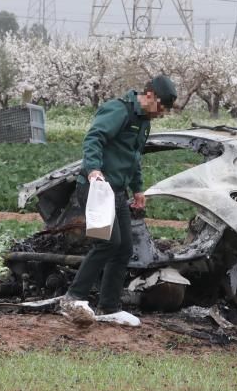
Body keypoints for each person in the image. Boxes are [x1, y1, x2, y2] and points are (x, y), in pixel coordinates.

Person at [64, 75, 177, 316]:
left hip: (117, 192)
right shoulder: (119, 110)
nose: (161, 114)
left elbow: (134, 157)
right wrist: (93, 169)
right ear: (149, 96)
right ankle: (73, 298)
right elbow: (94, 138)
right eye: (161, 107)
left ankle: (109, 307)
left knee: (124, 248)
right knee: (106, 242)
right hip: (95, 188)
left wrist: (138, 189)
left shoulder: (144, 121)